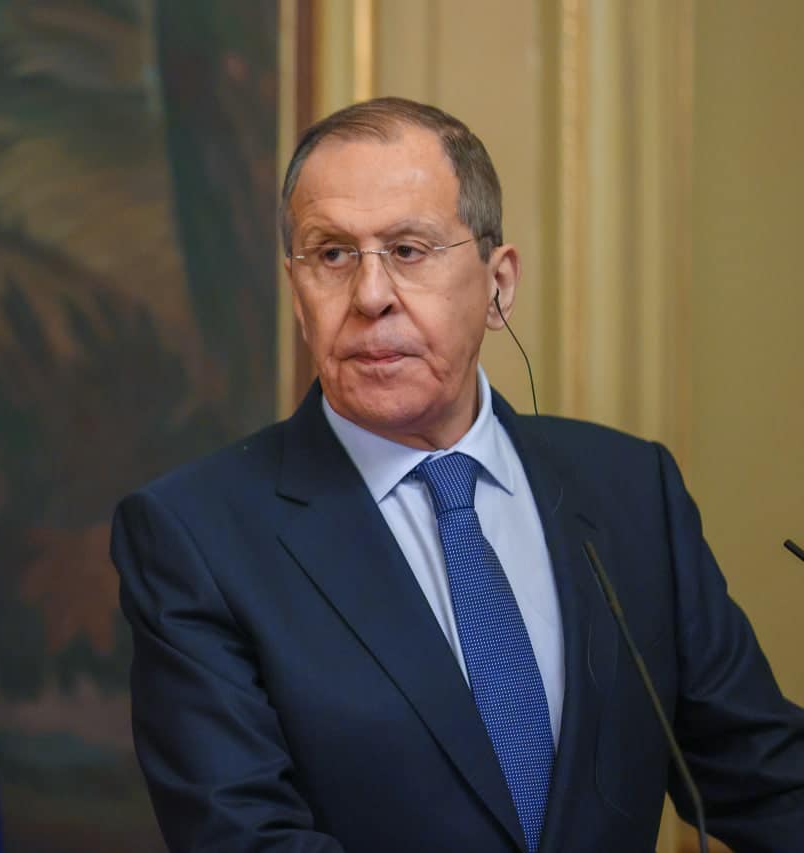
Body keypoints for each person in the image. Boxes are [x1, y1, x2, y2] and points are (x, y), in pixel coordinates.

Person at [110, 97, 804, 852]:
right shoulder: (196, 535)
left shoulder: (632, 490)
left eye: (409, 250)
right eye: (332, 255)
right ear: (298, 295)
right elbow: (243, 837)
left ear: (499, 284)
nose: (370, 297)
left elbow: (765, 779)